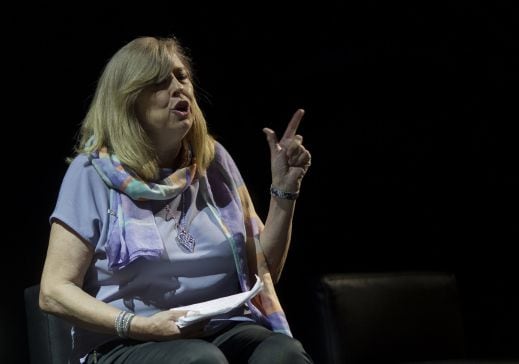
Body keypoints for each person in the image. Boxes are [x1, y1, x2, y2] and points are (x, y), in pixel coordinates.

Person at [39, 36, 313, 364]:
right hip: (126, 340)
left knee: (283, 353)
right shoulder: (92, 173)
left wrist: (284, 191)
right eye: (158, 81)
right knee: (200, 360)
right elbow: (54, 291)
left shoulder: (214, 162)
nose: (177, 87)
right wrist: (142, 326)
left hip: (220, 327)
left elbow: (263, 271)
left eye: (181, 77)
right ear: (128, 100)